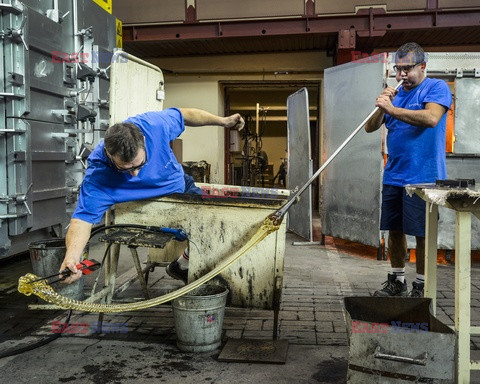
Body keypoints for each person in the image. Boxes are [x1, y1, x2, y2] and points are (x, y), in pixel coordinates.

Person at [59, 107, 244, 285]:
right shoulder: (98, 175)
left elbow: (185, 114)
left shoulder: (154, 125)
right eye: (125, 169)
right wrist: (71, 258)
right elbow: (82, 219)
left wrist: (224, 121)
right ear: (108, 154)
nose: (135, 175)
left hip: (180, 188)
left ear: (144, 141)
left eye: (140, 165)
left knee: (215, 223)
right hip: (144, 212)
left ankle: (181, 264)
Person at [365, 42, 452, 298]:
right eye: (398, 69)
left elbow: (431, 118)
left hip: (424, 177)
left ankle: (423, 284)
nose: (401, 75)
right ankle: (397, 280)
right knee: (394, 229)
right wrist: (382, 106)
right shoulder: (395, 94)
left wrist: (394, 109)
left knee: (423, 233)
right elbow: (370, 127)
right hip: (394, 174)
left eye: (407, 69)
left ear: (422, 66)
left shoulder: (436, 87)